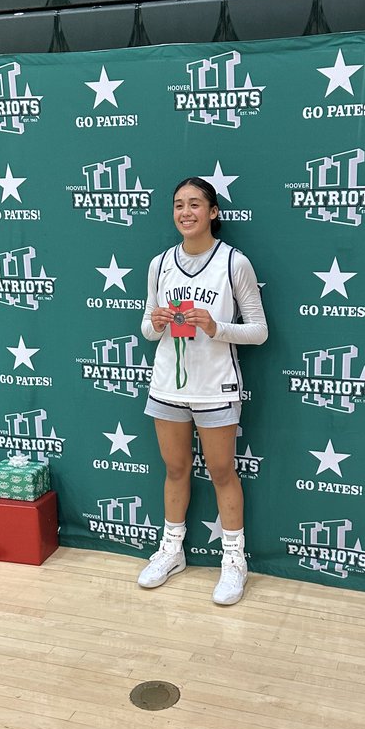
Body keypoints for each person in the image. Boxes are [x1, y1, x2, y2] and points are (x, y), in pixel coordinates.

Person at [139, 177, 267, 605]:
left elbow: (260, 331)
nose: (186, 212)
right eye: (178, 204)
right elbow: (146, 328)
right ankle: (171, 551)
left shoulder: (234, 263)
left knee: (222, 472)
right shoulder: (160, 263)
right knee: (174, 469)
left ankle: (234, 561)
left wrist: (217, 327)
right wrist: (155, 324)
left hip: (215, 387)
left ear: (213, 212)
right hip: (167, 387)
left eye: (196, 204)